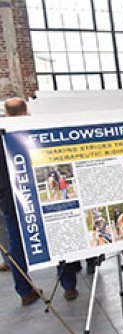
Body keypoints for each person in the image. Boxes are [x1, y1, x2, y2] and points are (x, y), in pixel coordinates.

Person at [1, 97, 80, 305]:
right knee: (60, 238)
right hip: (36, 200)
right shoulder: (35, 129)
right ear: (26, 111)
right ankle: (69, 285)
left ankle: (25, 291)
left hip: (11, 202)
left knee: (16, 246)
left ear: (6, 113)